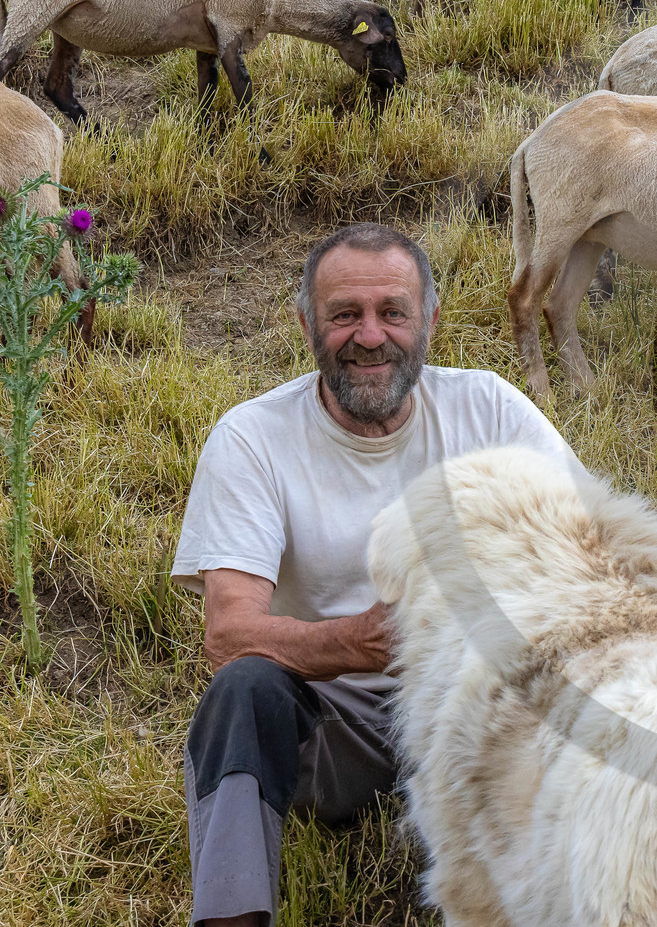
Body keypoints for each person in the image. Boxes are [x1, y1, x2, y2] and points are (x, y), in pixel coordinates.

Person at [170, 223, 577, 927]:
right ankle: (232, 914)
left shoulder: (490, 407)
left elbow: (586, 552)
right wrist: (359, 643)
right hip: (335, 721)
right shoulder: (252, 438)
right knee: (243, 688)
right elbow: (228, 632)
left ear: (429, 321)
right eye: (344, 315)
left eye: (392, 311)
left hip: (482, 704)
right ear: (306, 324)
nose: (369, 336)